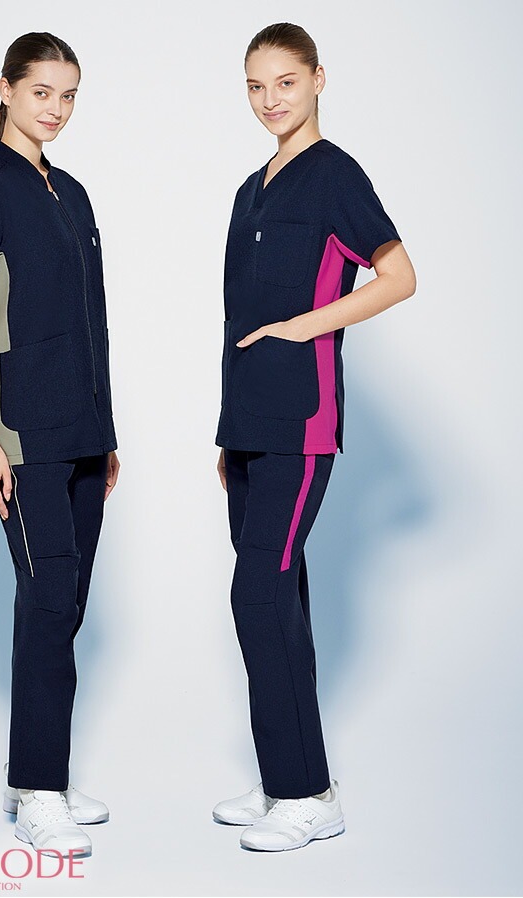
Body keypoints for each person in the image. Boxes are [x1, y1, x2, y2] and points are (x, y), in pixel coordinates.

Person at [212, 22, 416, 852]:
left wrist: (307, 327)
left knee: (257, 596)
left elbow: (399, 276)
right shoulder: (248, 190)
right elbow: (239, 317)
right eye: (256, 86)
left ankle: (306, 795)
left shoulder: (336, 176)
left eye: (286, 82)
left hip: (302, 424)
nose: (271, 100)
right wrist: (227, 434)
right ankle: (290, 781)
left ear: (318, 80)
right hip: (247, 429)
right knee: (282, 600)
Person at [0, 31, 120, 858]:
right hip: (23, 435)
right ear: (7, 89)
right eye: (42, 91)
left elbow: (90, 321)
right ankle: (42, 792)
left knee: (65, 601)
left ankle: (32, 771)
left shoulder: (72, 193)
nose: (56, 108)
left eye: (69, 94)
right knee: (50, 600)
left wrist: (106, 432)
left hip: (84, 434)